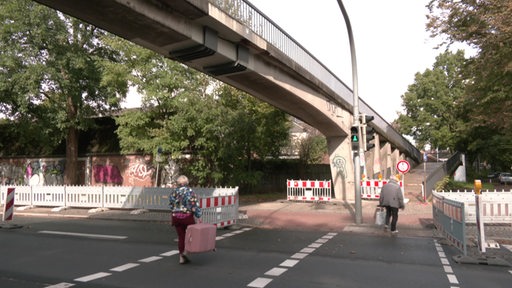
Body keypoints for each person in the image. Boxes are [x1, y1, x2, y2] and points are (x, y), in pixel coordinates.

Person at [169, 175, 202, 264]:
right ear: (186, 183)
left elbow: (171, 205)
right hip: (187, 217)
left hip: (176, 217)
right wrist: (198, 215)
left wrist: (175, 211)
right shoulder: (190, 192)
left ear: (178, 183)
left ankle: (181, 258)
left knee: (181, 237)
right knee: (192, 235)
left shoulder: (174, 192)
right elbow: (194, 205)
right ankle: (186, 252)